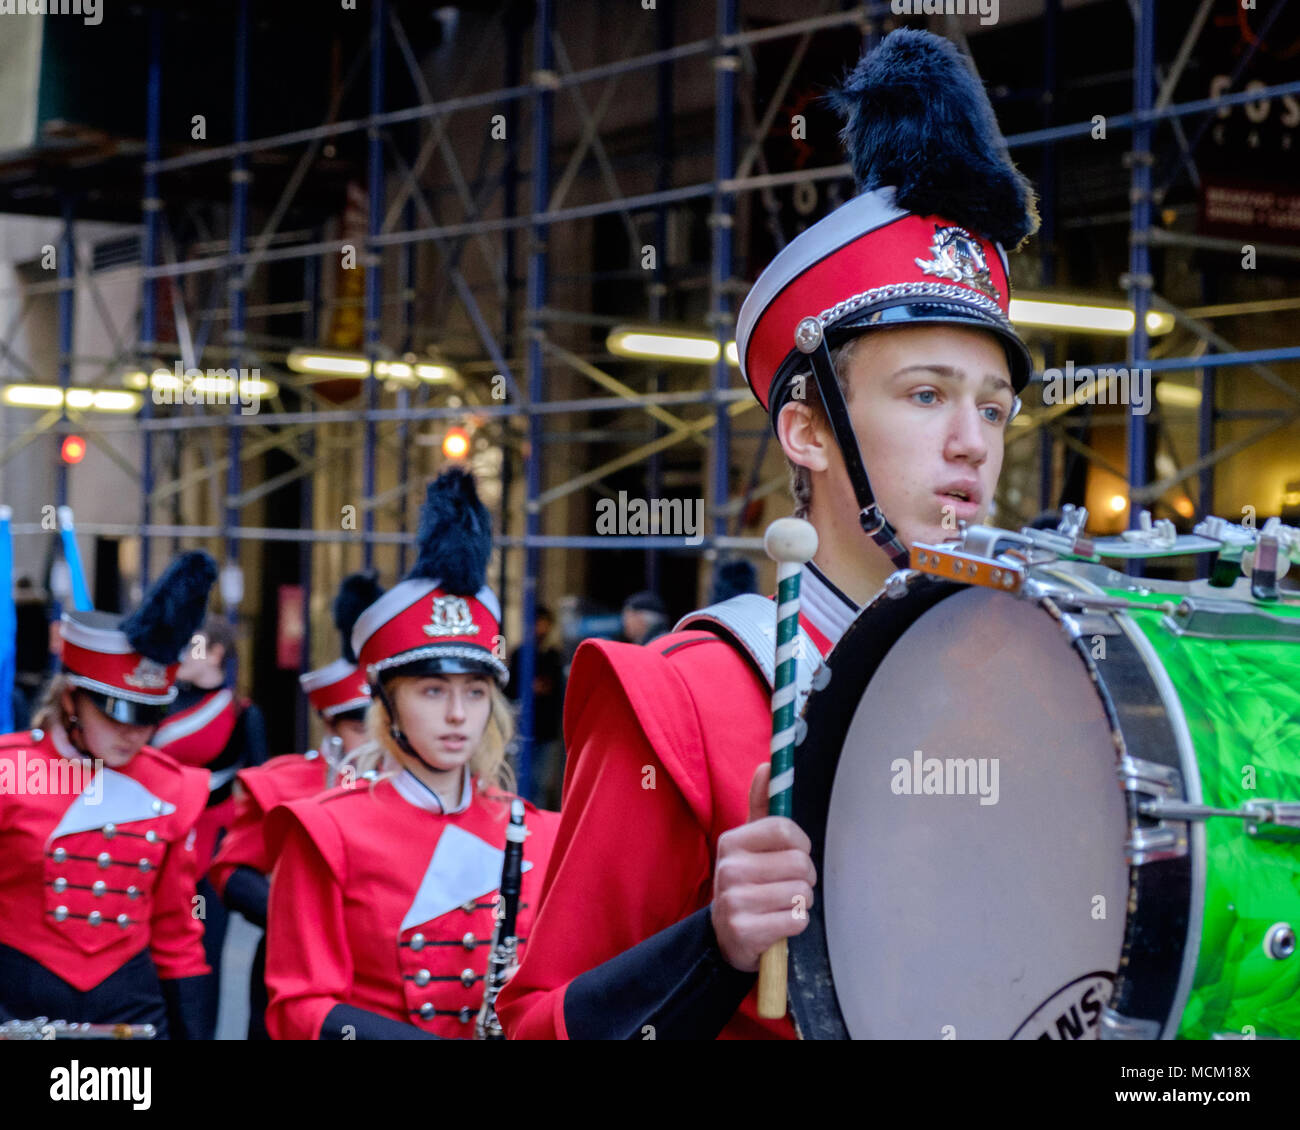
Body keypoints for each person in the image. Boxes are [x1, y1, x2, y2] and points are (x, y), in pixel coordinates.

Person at [497, 28, 1037, 1039]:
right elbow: (537, 1023)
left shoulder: (1026, 691)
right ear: (807, 429)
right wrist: (712, 946)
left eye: (994, 407)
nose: (971, 444)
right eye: (925, 395)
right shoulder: (677, 701)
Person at [263, 469, 561, 1039]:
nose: (457, 715)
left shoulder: (537, 831)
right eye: (432, 691)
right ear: (387, 705)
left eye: (475, 693)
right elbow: (296, 1008)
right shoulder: (324, 831)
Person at [0, 552, 219, 1037]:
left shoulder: (171, 786)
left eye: (147, 718)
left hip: (130, 1012)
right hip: (15, 1004)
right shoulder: (7, 772)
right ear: (70, 699)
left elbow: (175, 929)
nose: (133, 734)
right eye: (116, 715)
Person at [209, 570, 384, 1040]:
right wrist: (295, 913)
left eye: (379, 723)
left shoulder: (417, 788)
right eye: (358, 726)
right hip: (287, 965)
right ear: (329, 723)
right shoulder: (287, 781)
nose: (372, 740)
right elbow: (231, 872)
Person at [151, 614, 268, 1029]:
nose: (184, 653)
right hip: (159, 840)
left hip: (211, 846)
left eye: (194, 645)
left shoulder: (241, 712)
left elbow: (261, 790)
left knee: (205, 951)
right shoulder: (159, 702)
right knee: (154, 950)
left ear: (216, 652)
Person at [506, 605, 565, 809]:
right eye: (536, 623)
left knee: (539, 782)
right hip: (523, 728)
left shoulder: (554, 656)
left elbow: (558, 691)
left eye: (543, 623)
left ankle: (534, 819)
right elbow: (510, 689)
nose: (540, 628)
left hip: (546, 730)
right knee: (520, 781)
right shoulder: (520, 653)